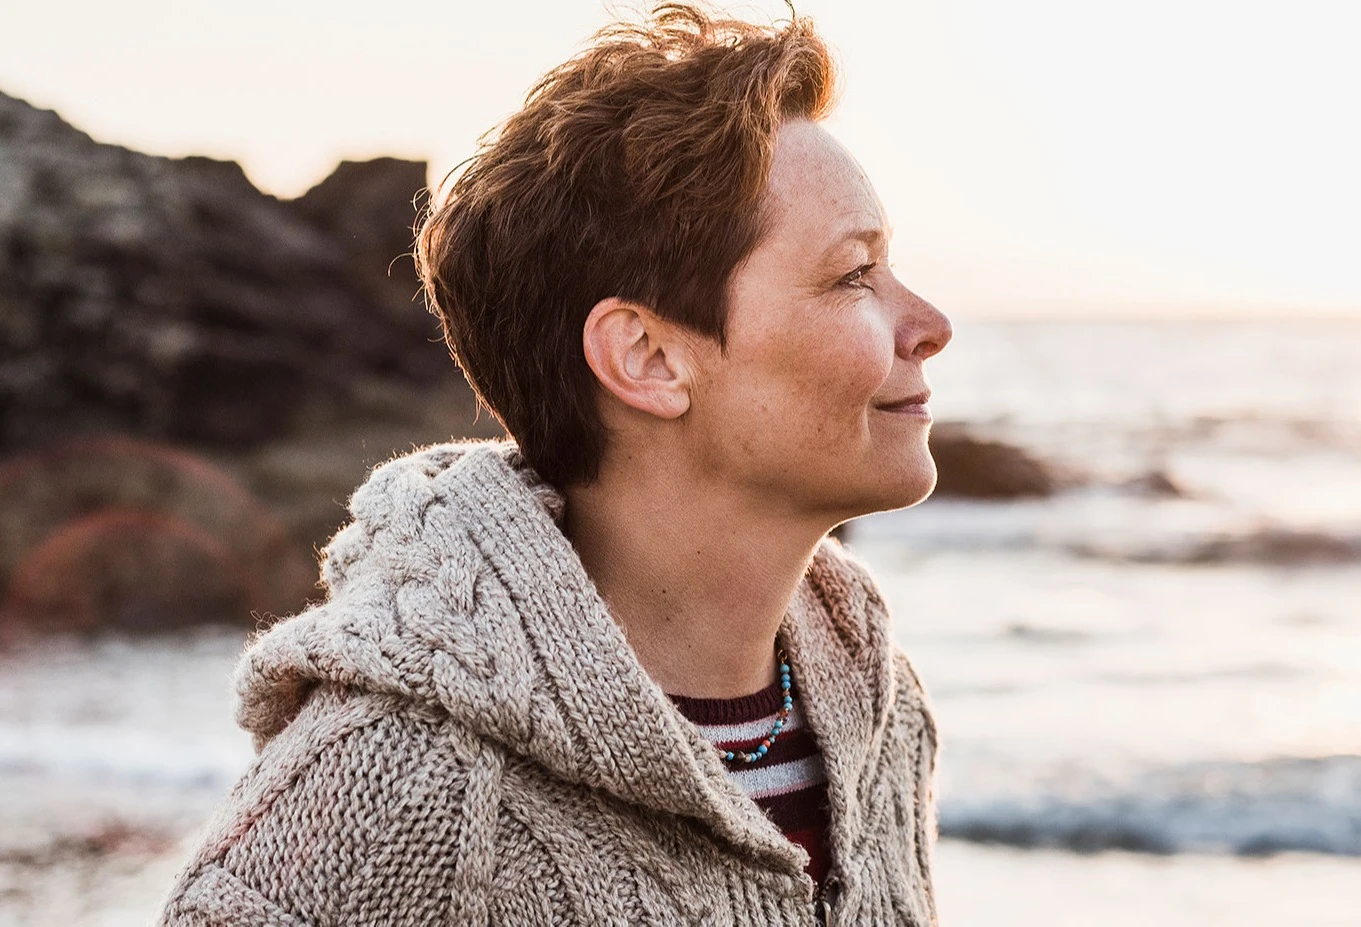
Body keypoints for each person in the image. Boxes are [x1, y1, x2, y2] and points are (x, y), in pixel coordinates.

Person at [156, 3, 952, 925]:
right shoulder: (388, 786)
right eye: (855, 274)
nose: (929, 322)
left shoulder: (880, 716)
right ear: (649, 357)